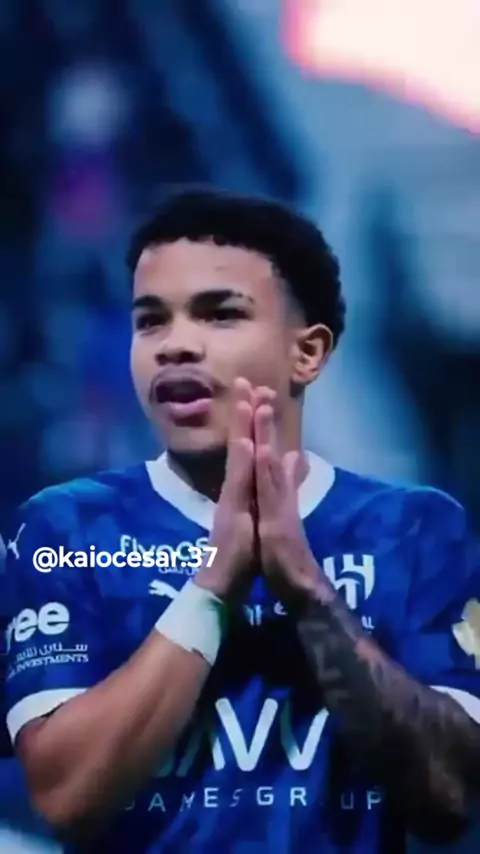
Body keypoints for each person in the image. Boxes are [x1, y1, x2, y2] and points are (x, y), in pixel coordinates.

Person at [3, 188, 480, 854]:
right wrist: (212, 587)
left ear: (307, 353)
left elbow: (448, 799)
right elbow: (67, 798)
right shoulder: (66, 529)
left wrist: (306, 590)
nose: (175, 345)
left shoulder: (414, 529)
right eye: (151, 321)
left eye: (220, 314)